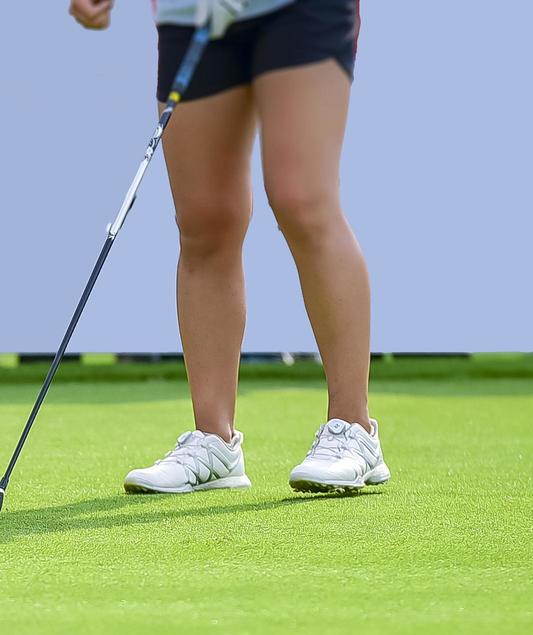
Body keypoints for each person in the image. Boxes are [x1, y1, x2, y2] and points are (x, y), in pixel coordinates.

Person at [69, 0, 388, 494]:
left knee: (301, 199)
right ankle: (214, 441)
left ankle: (354, 430)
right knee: (204, 219)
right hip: (192, 10)